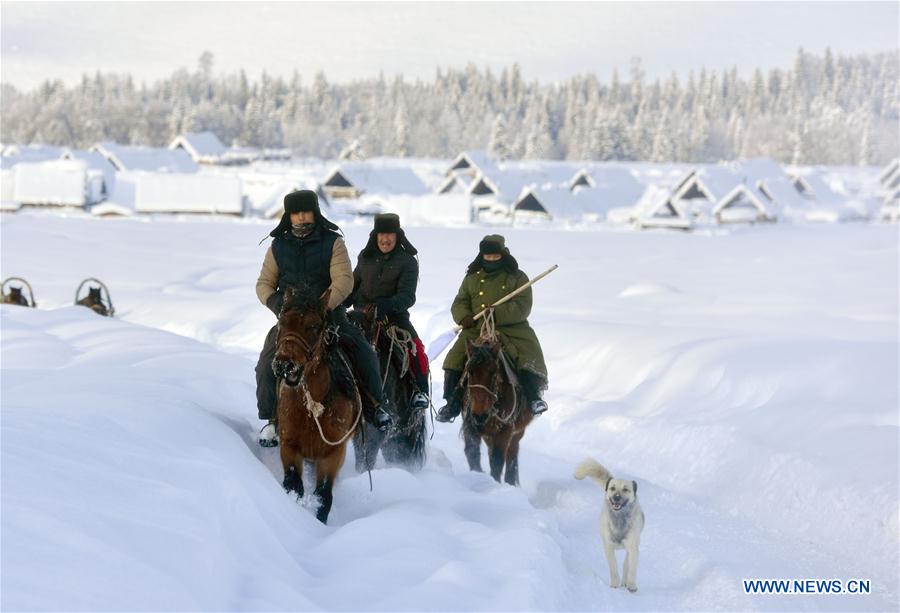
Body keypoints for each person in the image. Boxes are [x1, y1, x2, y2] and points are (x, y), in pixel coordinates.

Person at [255, 189, 392, 447]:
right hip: (292, 321)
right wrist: (277, 305)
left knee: (364, 352)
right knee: (265, 363)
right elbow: (264, 284)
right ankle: (271, 420)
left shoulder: (333, 242)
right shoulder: (278, 247)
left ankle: (375, 407)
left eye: (306, 211)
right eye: (296, 213)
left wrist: (324, 305)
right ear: (289, 216)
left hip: (329, 314)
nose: (301, 217)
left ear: (315, 212)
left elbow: (344, 279)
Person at [436, 234, 549, 422]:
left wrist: (496, 314)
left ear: (503, 254)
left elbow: (523, 306)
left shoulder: (518, 277)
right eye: (487, 256)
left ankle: (533, 398)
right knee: (454, 358)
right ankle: (452, 403)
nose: (491, 259)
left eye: (495, 256)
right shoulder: (472, 278)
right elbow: (460, 301)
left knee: (527, 355)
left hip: (511, 328)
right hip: (476, 327)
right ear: (481, 255)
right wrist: (464, 316)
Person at [346, 213, 430, 410]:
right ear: (375, 236)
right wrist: (340, 301)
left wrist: (383, 306)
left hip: (393, 318)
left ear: (397, 236)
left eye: (390, 235)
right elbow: (352, 286)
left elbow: (408, 296)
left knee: (414, 347)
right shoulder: (365, 257)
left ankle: (419, 391)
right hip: (360, 316)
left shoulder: (408, 261)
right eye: (381, 234)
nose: (385, 239)